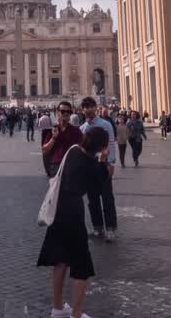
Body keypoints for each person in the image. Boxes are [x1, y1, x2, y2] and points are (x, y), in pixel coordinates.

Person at [38, 126, 108, 318]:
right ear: (101, 146)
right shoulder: (92, 164)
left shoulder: (73, 151)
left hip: (58, 206)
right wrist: (102, 161)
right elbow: (98, 190)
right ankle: (76, 314)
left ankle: (58, 307)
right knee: (81, 264)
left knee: (60, 259)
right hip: (73, 211)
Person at [79, 97, 118, 243]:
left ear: (95, 108)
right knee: (92, 199)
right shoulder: (82, 128)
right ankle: (98, 227)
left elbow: (111, 144)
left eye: (90, 106)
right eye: (85, 107)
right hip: (89, 167)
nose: (88, 109)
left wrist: (112, 163)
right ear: (82, 110)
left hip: (103, 164)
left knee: (107, 198)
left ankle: (111, 229)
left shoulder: (105, 124)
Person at [42, 101, 84, 178]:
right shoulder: (53, 130)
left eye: (68, 111)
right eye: (63, 111)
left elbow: (83, 149)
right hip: (56, 167)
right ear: (58, 112)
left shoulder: (76, 131)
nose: (66, 113)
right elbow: (45, 150)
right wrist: (54, 137)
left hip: (72, 166)